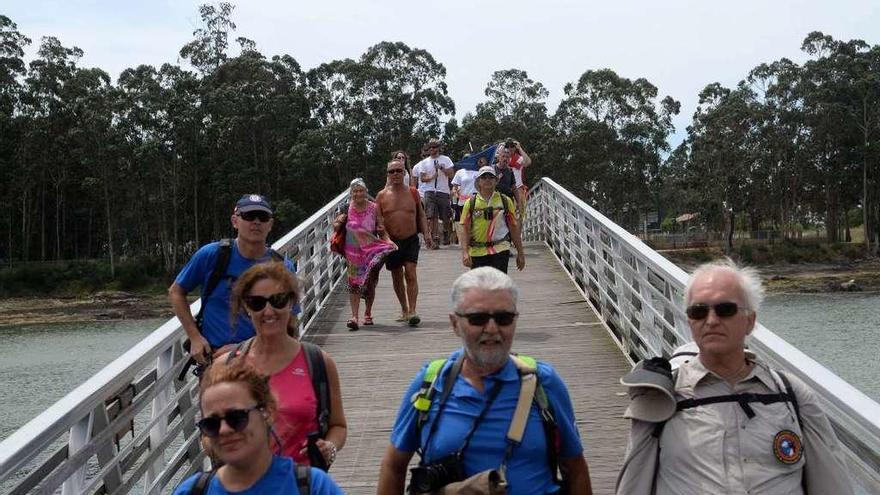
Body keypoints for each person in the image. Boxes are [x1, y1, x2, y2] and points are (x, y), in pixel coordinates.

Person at [616, 259, 853, 495]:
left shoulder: (792, 395)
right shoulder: (663, 395)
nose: (711, 321)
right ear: (690, 322)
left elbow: (833, 484)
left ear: (750, 321)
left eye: (725, 309)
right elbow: (633, 484)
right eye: (699, 311)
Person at [377, 267, 593, 495]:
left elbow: (575, 468)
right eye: (478, 319)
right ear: (454, 324)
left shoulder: (544, 383)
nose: (492, 329)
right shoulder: (430, 383)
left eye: (504, 318)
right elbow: (393, 465)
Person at [215, 262, 348, 469]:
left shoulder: (319, 362)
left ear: (291, 303)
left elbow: (338, 426)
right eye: (257, 303)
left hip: (303, 485)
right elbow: (207, 436)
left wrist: (329, 447)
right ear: (246, 308)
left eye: (278, 301)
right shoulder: (227, 366)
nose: (269, 311)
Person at [171, 363, 345, 494]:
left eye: (236, 417)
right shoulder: (192, 491)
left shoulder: (313, 487)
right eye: (211, 424)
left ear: (267, 413)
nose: (224, 430)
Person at [169, 194, 295, 366]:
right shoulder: (212, 255)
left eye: (263, 217)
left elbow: (290, 320)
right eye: (249, 216)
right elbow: (176, 291)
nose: (256, 222)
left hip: (264, 358)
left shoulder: (282, 267)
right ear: (235, 221)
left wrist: (241, 349)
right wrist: (194, 336)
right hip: (215, 360)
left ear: (270, 225)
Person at [333, 178, 397, 330]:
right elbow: (336, 227)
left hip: (371, 251)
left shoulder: (374, 208)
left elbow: (381, 228)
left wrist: (388, 241)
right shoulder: (346, 208)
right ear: (351, 193)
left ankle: (368, 313)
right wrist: (339, 221)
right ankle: (354, 316)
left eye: (361, 190)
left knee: (370, 283)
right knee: (353, 283)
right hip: (353, 253)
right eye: (355, 191)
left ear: (366, 192)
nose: (358, 193)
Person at [377, 159, 431, 327]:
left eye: (399, 171)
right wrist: (385, 238)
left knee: (410, 272)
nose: (395, 174)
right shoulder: (381, 196)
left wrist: (427, 233)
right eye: (392, 171)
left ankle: (413, 311)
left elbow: (421, 215)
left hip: (411, 239)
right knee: (397, 276)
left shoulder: (413, 192)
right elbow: (379, 221)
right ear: (387, 175)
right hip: (391, 241)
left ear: (404, 173)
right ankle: (404, 309)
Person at [459, 166, 525, 273]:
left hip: (500, 248)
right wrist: (465, 253)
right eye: (484, 177)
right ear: (478, 182)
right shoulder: (470, 203)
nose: (487, 180)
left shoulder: (505, 201)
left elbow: (513, 228)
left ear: (496, 181)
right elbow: (465, 230)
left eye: (491, 177)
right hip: (477, 251)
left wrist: (520, 253)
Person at [412, 138, 455, 248]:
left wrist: (442, 168)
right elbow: (422, 178)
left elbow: (451, 174)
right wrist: (432, 177)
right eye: (430, 147)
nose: (432, 149)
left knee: (445, 215)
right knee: (431, 215)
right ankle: (433, 238)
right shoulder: (424, 162)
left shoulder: (446, 159)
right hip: (429, 191)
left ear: (439, 148)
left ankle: (445, 232)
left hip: (443, 190)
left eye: (434, 147)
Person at [450, 157, 481, 243]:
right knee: (465, 222)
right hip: (463, 201)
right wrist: (456, 194)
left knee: (476, 221)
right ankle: (466, 241)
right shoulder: (460, 172)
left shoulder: (478, 171)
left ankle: (475, 239)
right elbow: (454, 187)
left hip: (477, 200)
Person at [494, 147, 525, 218]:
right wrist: (496, 180)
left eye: (507, 157)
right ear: (499, 158)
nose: (505, 159)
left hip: (508, 202)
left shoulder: (510, 171)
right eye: (503, 156)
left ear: (509, 159)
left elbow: (514, 188)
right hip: (495, 202)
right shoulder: (492, 169)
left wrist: (519, 203)